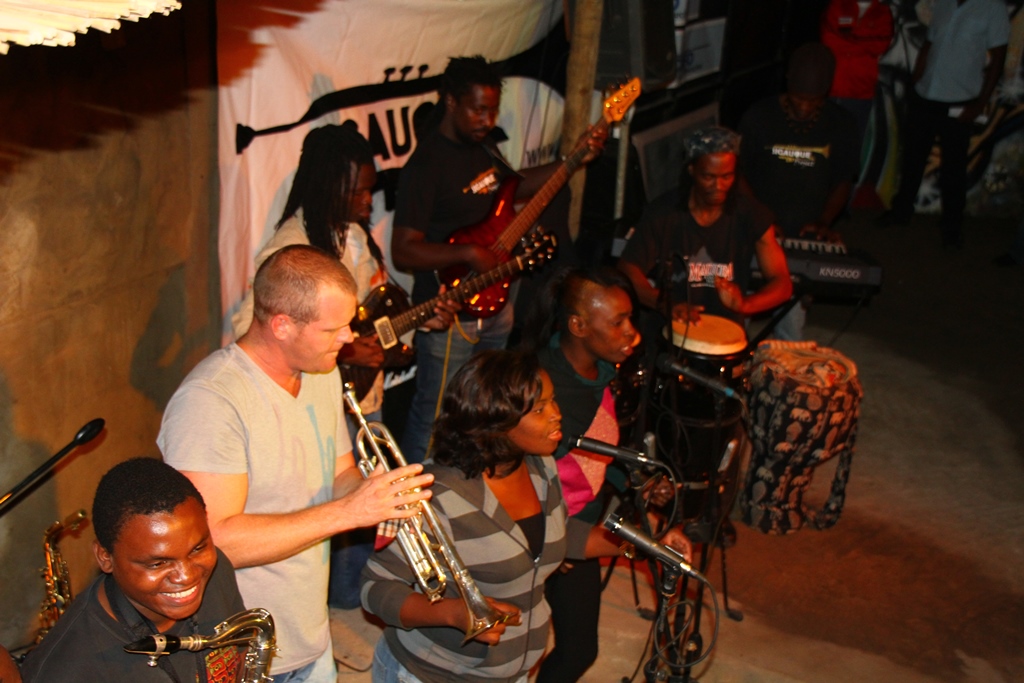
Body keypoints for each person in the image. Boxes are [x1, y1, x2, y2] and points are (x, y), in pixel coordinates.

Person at [159, 245, 434, 682]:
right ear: (282, 325)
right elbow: (213, 541)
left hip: (310, 633)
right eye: (334, 329)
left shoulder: (322, 372)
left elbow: (340, 472)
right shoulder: (210, 402)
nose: (349, 339)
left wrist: (372, 493)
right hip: (244, 651)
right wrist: (347, 512)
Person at [229, 124, 456, 611]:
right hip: (316, 401)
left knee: (363, 496)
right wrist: (348, 353)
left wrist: (421, 321)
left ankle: (352, 594)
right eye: (358, 191)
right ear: (329, 186)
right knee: (330, 502)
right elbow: (255, 329)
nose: (368, 200)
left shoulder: (352, 237)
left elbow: (375, 320)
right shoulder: (290, 249)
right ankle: (339, 598)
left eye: (371, 189)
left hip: (360, 396)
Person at [391, 55, 606, 464]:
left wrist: (574, 158)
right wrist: (468, 253)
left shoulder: (483, 147)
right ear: (451, 102)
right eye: (478, 109)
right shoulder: (427, 164)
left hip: (497, 305)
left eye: (492, 110)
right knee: (434, 415)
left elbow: (516, 187)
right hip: (449, 312)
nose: (486, 120)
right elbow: (403, 249)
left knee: (484, 411)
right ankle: (413, 498)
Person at [519, 267, 689, 683]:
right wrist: (556, 545)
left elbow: (594, 455)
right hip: (538, 532)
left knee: (579, 651)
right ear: (578, 326)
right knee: (516, 653)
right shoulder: (545, 392)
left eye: (630, 318)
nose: (633, 333)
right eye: (618, 322)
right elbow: (520, 478)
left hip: (581, 524)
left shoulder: (600, 373)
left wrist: (636, 483)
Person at [361, 350, 567, 683]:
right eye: (540, 409)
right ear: (496, 421)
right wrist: (454, 613)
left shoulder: (542, 467)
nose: (557, 414)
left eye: (553, 400)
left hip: (513, 673)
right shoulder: (436, 496)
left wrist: (631, 542)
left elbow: (546, 542)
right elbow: (375, 588)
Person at [21, 458, 247, 682]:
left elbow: (242, 656)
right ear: (105, 557)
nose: (187, 576)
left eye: (197, 549)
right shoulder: (67, 668)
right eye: (158, 563)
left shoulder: (216, 571)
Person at [736, 43, 858, 339]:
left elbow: (844, 179)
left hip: (801, 233)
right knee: (738, 321)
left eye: (813, 101)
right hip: (756, 230)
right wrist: (760, 219)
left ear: (826, 93)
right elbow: (737, 174)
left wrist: (824, 221)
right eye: (798, 99)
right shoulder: (759, 116)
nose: (804, 108)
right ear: (787, 82)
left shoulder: (840, 124)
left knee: (790, 331)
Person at [617, 126, 792, 333]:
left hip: (726, 332)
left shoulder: (751, 214)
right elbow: (627, 270)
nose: (718, 186)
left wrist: (745, 305)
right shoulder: (663, 213)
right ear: (692, 170)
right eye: (709, 177)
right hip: (670, 330)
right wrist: (664, 303)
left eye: (727, 176)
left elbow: (782, 284)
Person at [877, 0, 1010, 248]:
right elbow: (930, 42)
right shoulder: (945, 3)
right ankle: (901, 211)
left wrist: (980, 103)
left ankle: (951, 226)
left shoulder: (993, 7)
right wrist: (916, 80)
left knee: (954, 167)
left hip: (960, 99)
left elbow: (998, 57)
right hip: (926, 93)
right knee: (913, 158)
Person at [820, 0, 895, 147]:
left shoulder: (883, 13)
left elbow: (880, 45)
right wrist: (863, 44)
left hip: (861, 92)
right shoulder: (838, 5)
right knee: (823, 141)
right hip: (830, 87)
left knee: (852, 144)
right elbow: (829, 40)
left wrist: (846, 40)